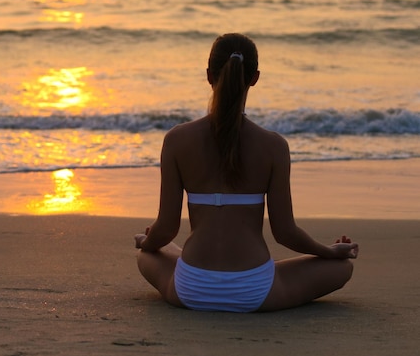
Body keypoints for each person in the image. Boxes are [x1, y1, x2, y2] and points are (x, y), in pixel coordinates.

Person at [135, 33, 358, 312]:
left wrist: (148, 241)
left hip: (190, 287)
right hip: (255, 291)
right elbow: (285, 233)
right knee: (342, 268)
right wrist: (328, 251)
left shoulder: (177, 140)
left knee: (148, 254)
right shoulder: (273, 146)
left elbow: (166, 229)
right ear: (254, 77)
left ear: (209, 75)